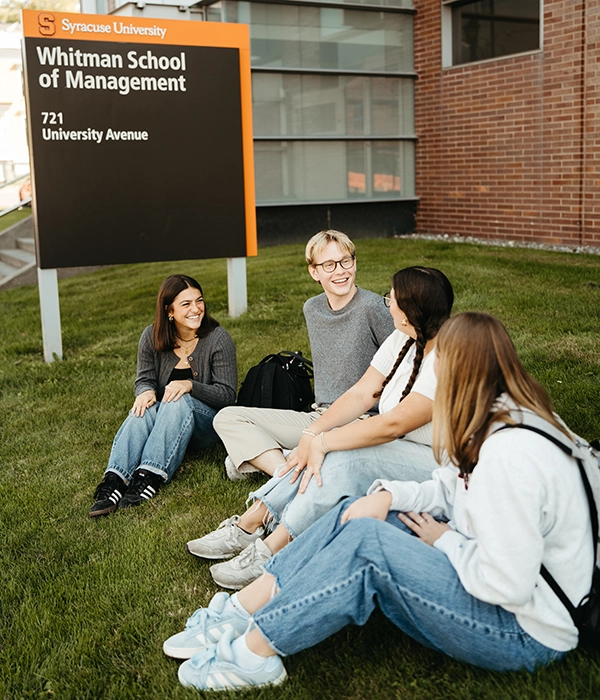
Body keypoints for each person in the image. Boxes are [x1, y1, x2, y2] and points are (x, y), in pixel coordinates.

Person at [163, 312, 593, 690]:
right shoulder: (504, 415)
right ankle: (242, 609)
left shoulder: (510, 454)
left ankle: (255, 653)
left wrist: (444, 540)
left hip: (525, 631)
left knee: (369, 544)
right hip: (503, 585)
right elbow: (450, 487)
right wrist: (389, 495)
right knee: (356, 512)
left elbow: (509, 584)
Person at [193, 266, 454, 589]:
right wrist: (312, 435)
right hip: (400, 445)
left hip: (437, 464)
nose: (388, 304)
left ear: (409, 311)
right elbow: (361, 393)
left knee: (342, 457)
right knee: (317, 447)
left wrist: (325, 442)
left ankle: (273, 548)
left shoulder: (446, 355)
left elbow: (393, 424)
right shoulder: (403, 337)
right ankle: (251, 522)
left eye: (392, 298)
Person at [185, 231, 393, 550]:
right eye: (329, 265)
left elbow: (400, 363)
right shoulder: (312, 308)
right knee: (228, 418)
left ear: (355, 262)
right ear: (314, 272)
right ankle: (287, 467)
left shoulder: (373, 308)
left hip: (361, 420)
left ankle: (260, 481)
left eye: (346, 261)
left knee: (253, 454)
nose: (340, 271)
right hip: (319, 416)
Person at [89, 274, 237, 516]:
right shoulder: (151, 336)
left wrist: (190, 385)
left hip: (207, 425)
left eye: (199, 301)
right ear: (169, 311)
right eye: (186, 304)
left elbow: (227, 395)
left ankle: (149, 475)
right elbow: (144, 378)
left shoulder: (218, 339)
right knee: (143, 407)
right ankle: (114, 480)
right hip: (165, 420)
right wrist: (144, 391)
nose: (196, 309)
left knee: (179, 399)